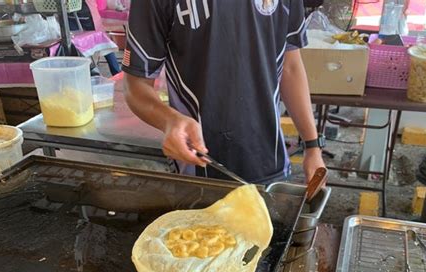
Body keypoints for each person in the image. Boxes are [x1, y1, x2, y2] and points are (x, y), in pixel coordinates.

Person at [122, 0, 326, 184]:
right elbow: (136, 85)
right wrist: (168, 121)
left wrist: (312, 146)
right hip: (200, 170)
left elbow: (290, 65)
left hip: (271, 165)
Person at [68, 0, 121, 76]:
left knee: (103, 42)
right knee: (103, 43)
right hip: (74, 15)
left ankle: (115, 72)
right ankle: (112, 73)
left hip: (82, 14)